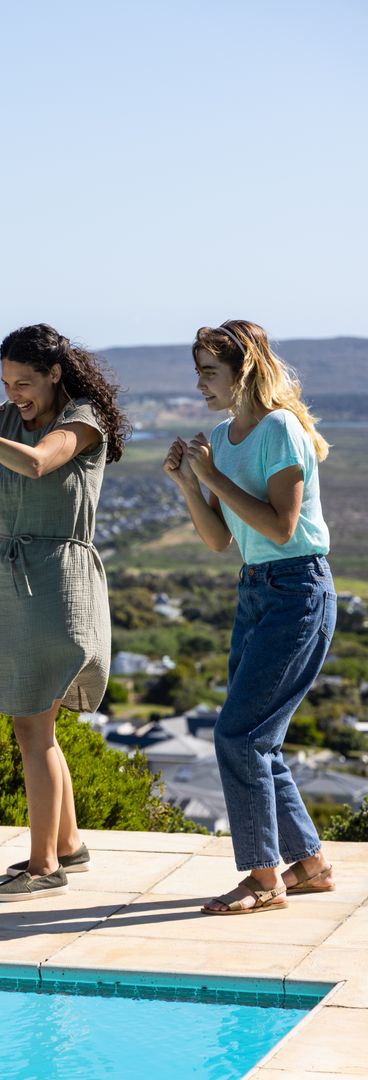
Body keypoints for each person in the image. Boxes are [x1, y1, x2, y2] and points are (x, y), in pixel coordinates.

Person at [0, 323, 127, 901]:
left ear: (55, 374)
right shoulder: (4, 418)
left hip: (58, 577)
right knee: (37, 724)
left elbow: (39, 464)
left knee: (32, 722)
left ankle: (42, 870)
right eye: (8, 382)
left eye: (25, 382)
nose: (15, 394)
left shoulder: (82, 420)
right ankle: (66, 846)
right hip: (14, 577)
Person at [163, 320, 337, 914]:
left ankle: (265, 879)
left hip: (298, 591)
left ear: (244, 371)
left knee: (239, 735)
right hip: (255, 590)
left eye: (209, 371)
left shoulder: (280, 429)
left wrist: (211, 475)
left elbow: (282, 528)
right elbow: (220, 540)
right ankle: (310, 864)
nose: (200, 382)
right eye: (198, 371)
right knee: (258, 740)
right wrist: (190, 484)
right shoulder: (221, 435)